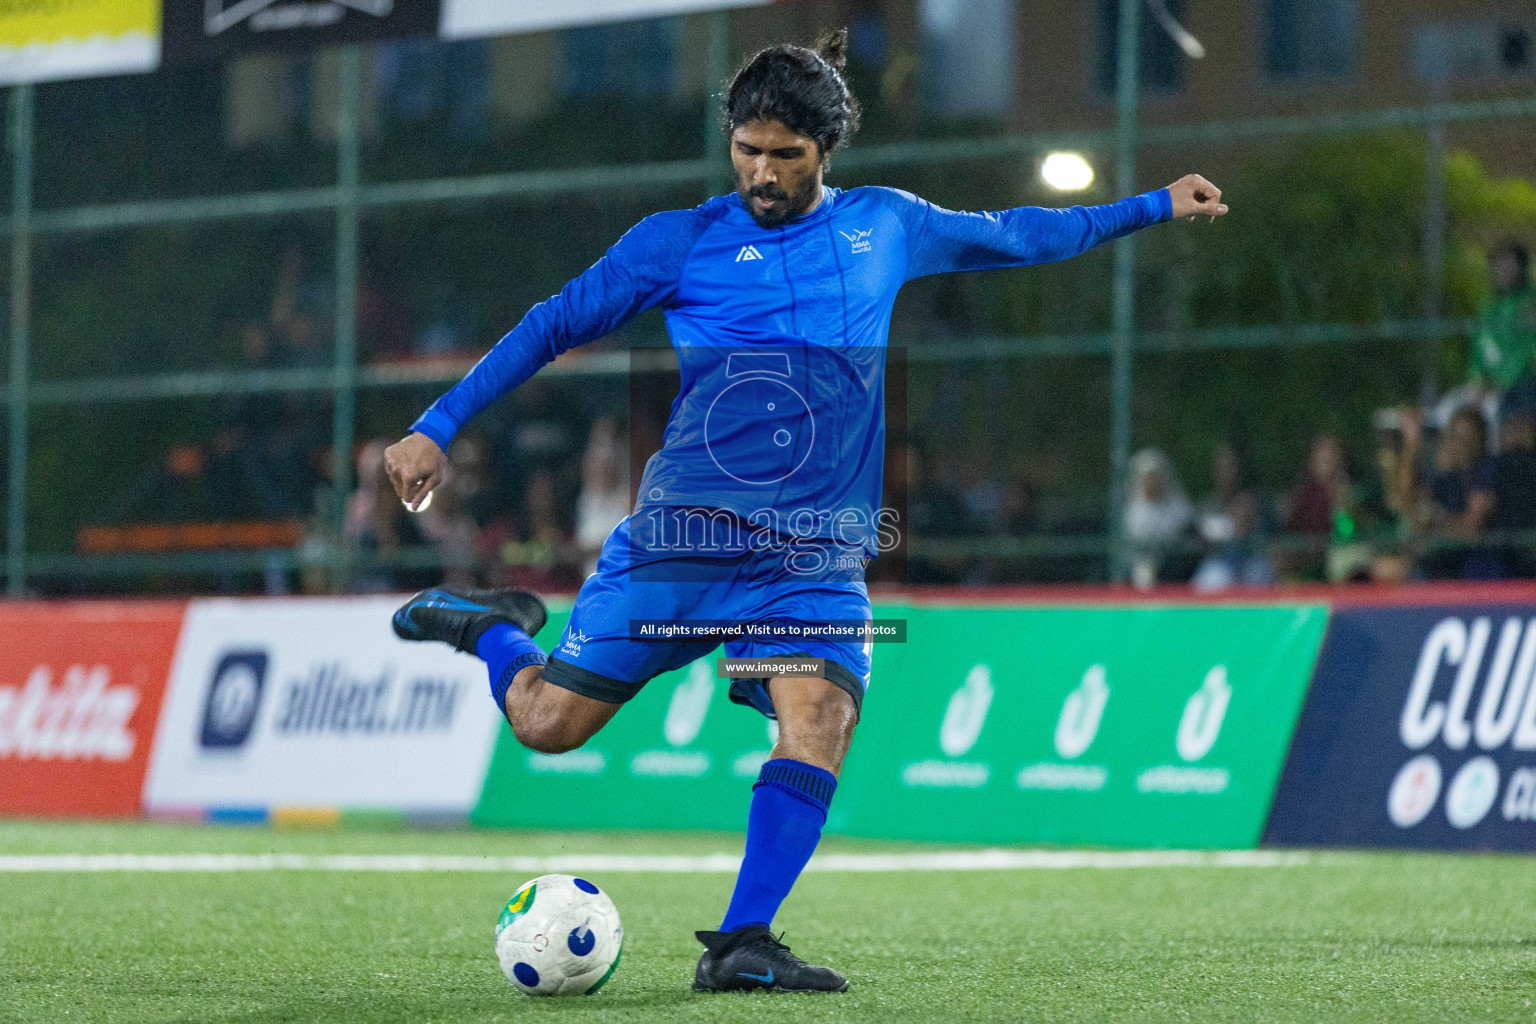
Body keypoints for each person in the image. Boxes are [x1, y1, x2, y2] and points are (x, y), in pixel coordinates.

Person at [382, 30, 1227, 994]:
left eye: (786, 155)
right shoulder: (680, 240)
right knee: (546, 724)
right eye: (747, 149)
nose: (763, 172)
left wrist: (1154, 204)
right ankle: (495, 631)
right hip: (684, 539)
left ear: (827, 150)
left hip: (811, 558)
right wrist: (436, 425)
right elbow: (552, 324)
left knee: (818, 717)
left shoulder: (887, 225)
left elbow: (1019, 233)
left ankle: (742, 942)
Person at [1124, 449, 1194, 589]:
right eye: (1149, 477)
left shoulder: (1176, 503)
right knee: (1144, 577)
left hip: (1176, 561)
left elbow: (1189, 527)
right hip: (1146, 561)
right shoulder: (1136, 510)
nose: (1154, 481)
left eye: (1157, 476)